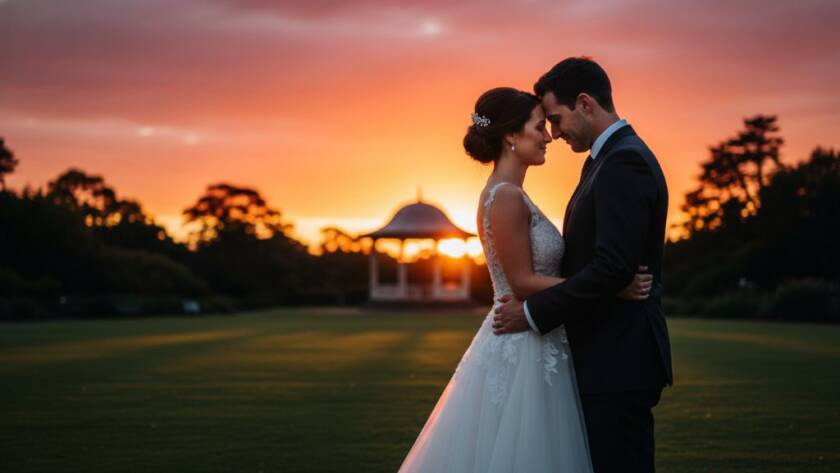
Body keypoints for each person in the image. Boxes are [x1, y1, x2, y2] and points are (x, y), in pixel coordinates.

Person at [397, 84, 652, 473]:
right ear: (511, 136)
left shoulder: (510, 194)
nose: (548, 136)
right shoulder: (506, 198)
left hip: (540, 336)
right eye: (538, 126)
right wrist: (613, 288)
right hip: (525, 346)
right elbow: (522, 283)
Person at [493, 57, 673, 473]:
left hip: (618, 360)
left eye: (556, 118)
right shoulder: (604, 160)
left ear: (586, 103)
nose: (554, 134)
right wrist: (610, 283)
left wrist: (531, 313)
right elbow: (602, 267)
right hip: (605, 354)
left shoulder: (622, 161)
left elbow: (611, 266)